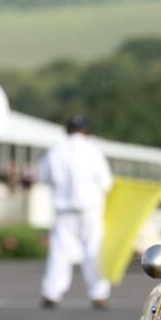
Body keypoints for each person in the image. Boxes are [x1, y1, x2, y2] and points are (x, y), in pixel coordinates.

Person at [37, 115, 113, 309]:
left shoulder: (55, 151)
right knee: (93, 250)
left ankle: (52, 292)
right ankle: (98, 293)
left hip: (63, 209)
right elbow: (106, 183)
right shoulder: (93, 151)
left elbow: (43, 177)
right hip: (90, 208)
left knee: (59, 251)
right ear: (86, 131)